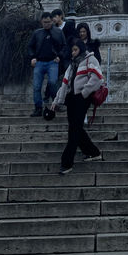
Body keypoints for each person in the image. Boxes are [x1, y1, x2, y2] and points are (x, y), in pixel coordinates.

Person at [51, 39, 103, 174]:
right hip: (71, 99)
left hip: (82, 99)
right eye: (72, 50)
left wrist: (84, 92)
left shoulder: (90, 60)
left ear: (81, 48)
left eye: (75, 50)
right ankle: (93, 152)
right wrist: (57, 100)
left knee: (74, 130)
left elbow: (98, 78)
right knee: (76, 128)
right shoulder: (72, 64)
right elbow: (64, 84)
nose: (73, 53)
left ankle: (66, 162)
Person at [27, 12, 64, 117]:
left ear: (52, 21)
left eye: (48, 22)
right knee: (36, 86)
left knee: (53, 82)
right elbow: (30, 46)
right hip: (39, 62)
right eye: (44, 22)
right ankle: (38, 108)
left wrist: (59, 56)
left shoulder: (58, 32)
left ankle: (55, 103)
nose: (46, 24)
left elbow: (64, 46)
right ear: (41, 22)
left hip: (52, 62)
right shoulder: (37, 33)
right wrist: (33, 57)